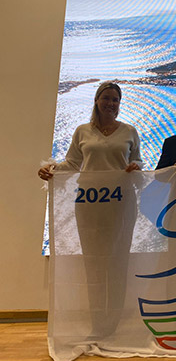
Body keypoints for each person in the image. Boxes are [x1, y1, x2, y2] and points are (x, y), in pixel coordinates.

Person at [38, 81, 142, 339]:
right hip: (89, 206)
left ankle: (113, 324)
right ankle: (98, 325)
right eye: (106, 98)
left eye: (115, 100)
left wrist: (136, 168)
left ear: (119, 104)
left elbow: (137, 161)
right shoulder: (82, 131)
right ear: (97, 100)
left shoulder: (129, 131)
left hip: (121, 205)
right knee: (94, 267)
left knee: (118, 265)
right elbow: (73, 163)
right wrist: (50, 169)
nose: (111, 103)